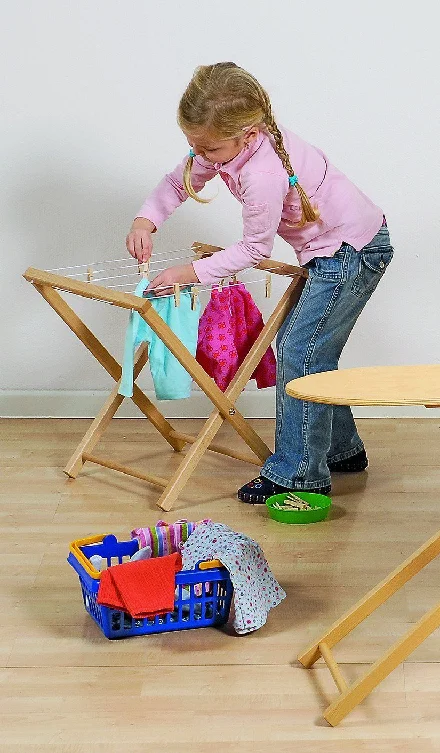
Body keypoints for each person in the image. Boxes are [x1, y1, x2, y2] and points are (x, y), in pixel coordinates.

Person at [126, 62, 392, 502]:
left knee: (299, 350)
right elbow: (180, 180)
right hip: (334, 248)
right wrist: (145, 220)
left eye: (207, 148)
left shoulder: (262, 173)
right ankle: (342, 450)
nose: (200, 156)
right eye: (193, 144)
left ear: (247, 136)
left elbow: (254, 250)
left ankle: (299, 474)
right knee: (309, 349)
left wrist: (185, 275)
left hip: (353, 251)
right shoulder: (232, 144)